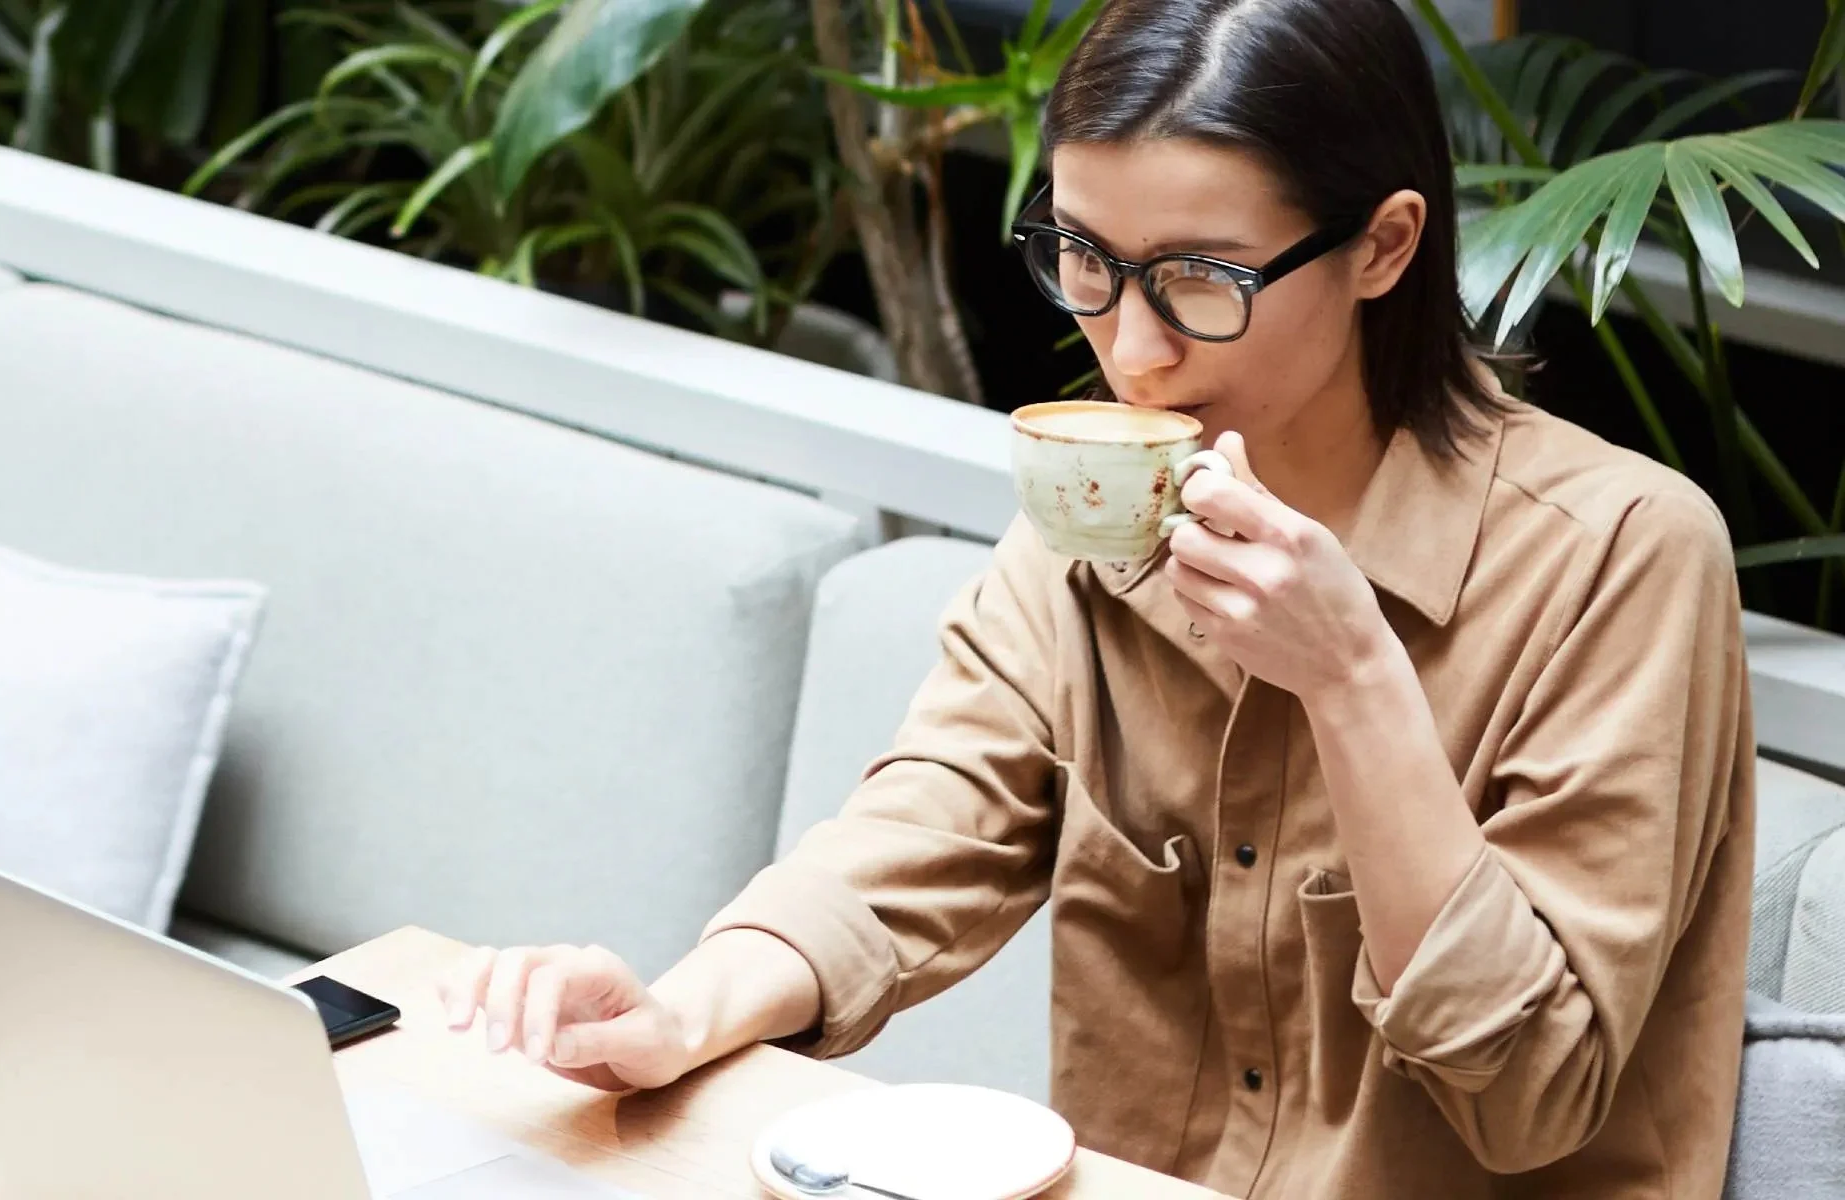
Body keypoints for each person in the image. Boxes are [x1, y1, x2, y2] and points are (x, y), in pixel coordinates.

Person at [438, 0, 1756, 1194]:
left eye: (1201, 279)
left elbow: (1532, 1098)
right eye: (1086, 256)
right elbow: (927, 828)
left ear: (1383, 245)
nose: (1131, 349)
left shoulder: (1620, 558)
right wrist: (681, 1013)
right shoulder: (1102, 511)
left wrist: (1355, 683)